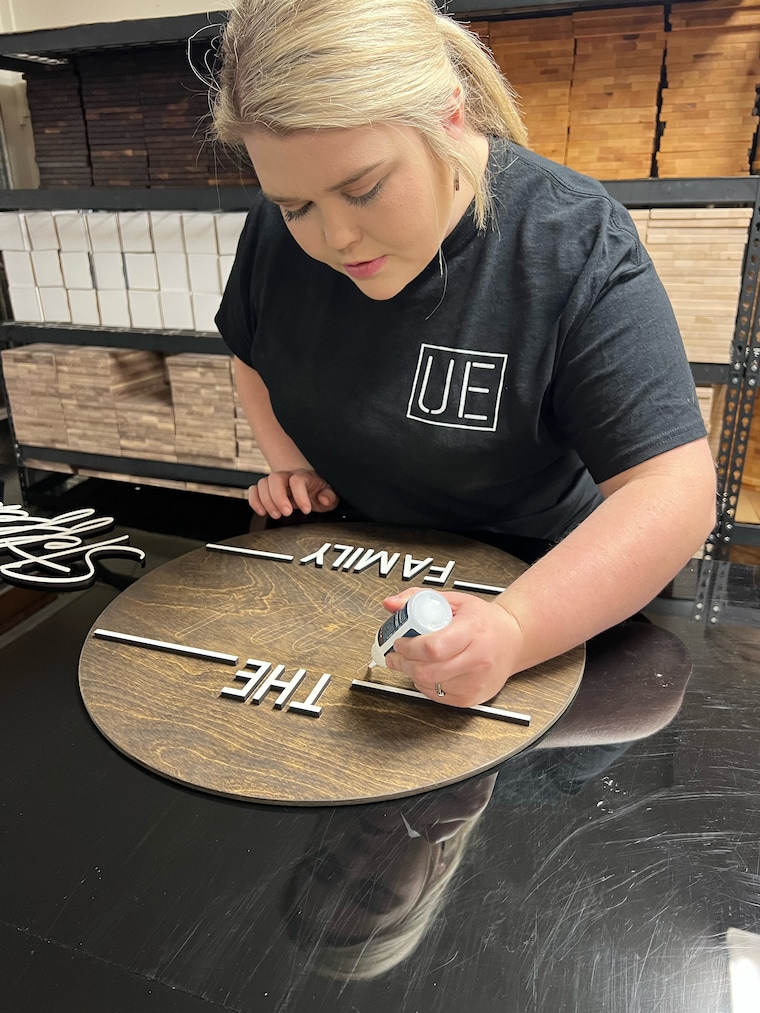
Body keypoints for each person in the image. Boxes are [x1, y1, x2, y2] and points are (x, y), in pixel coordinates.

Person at [211, 0, 717, 710]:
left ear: (449, 116)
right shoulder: (276, 231)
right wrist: (290, 462)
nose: (336, 238)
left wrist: (516, 627)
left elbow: (674, 491)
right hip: (359, 566)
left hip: (543, 580)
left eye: (363, 190)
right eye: (297, 207)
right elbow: (250, 351)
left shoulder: (572, 243)